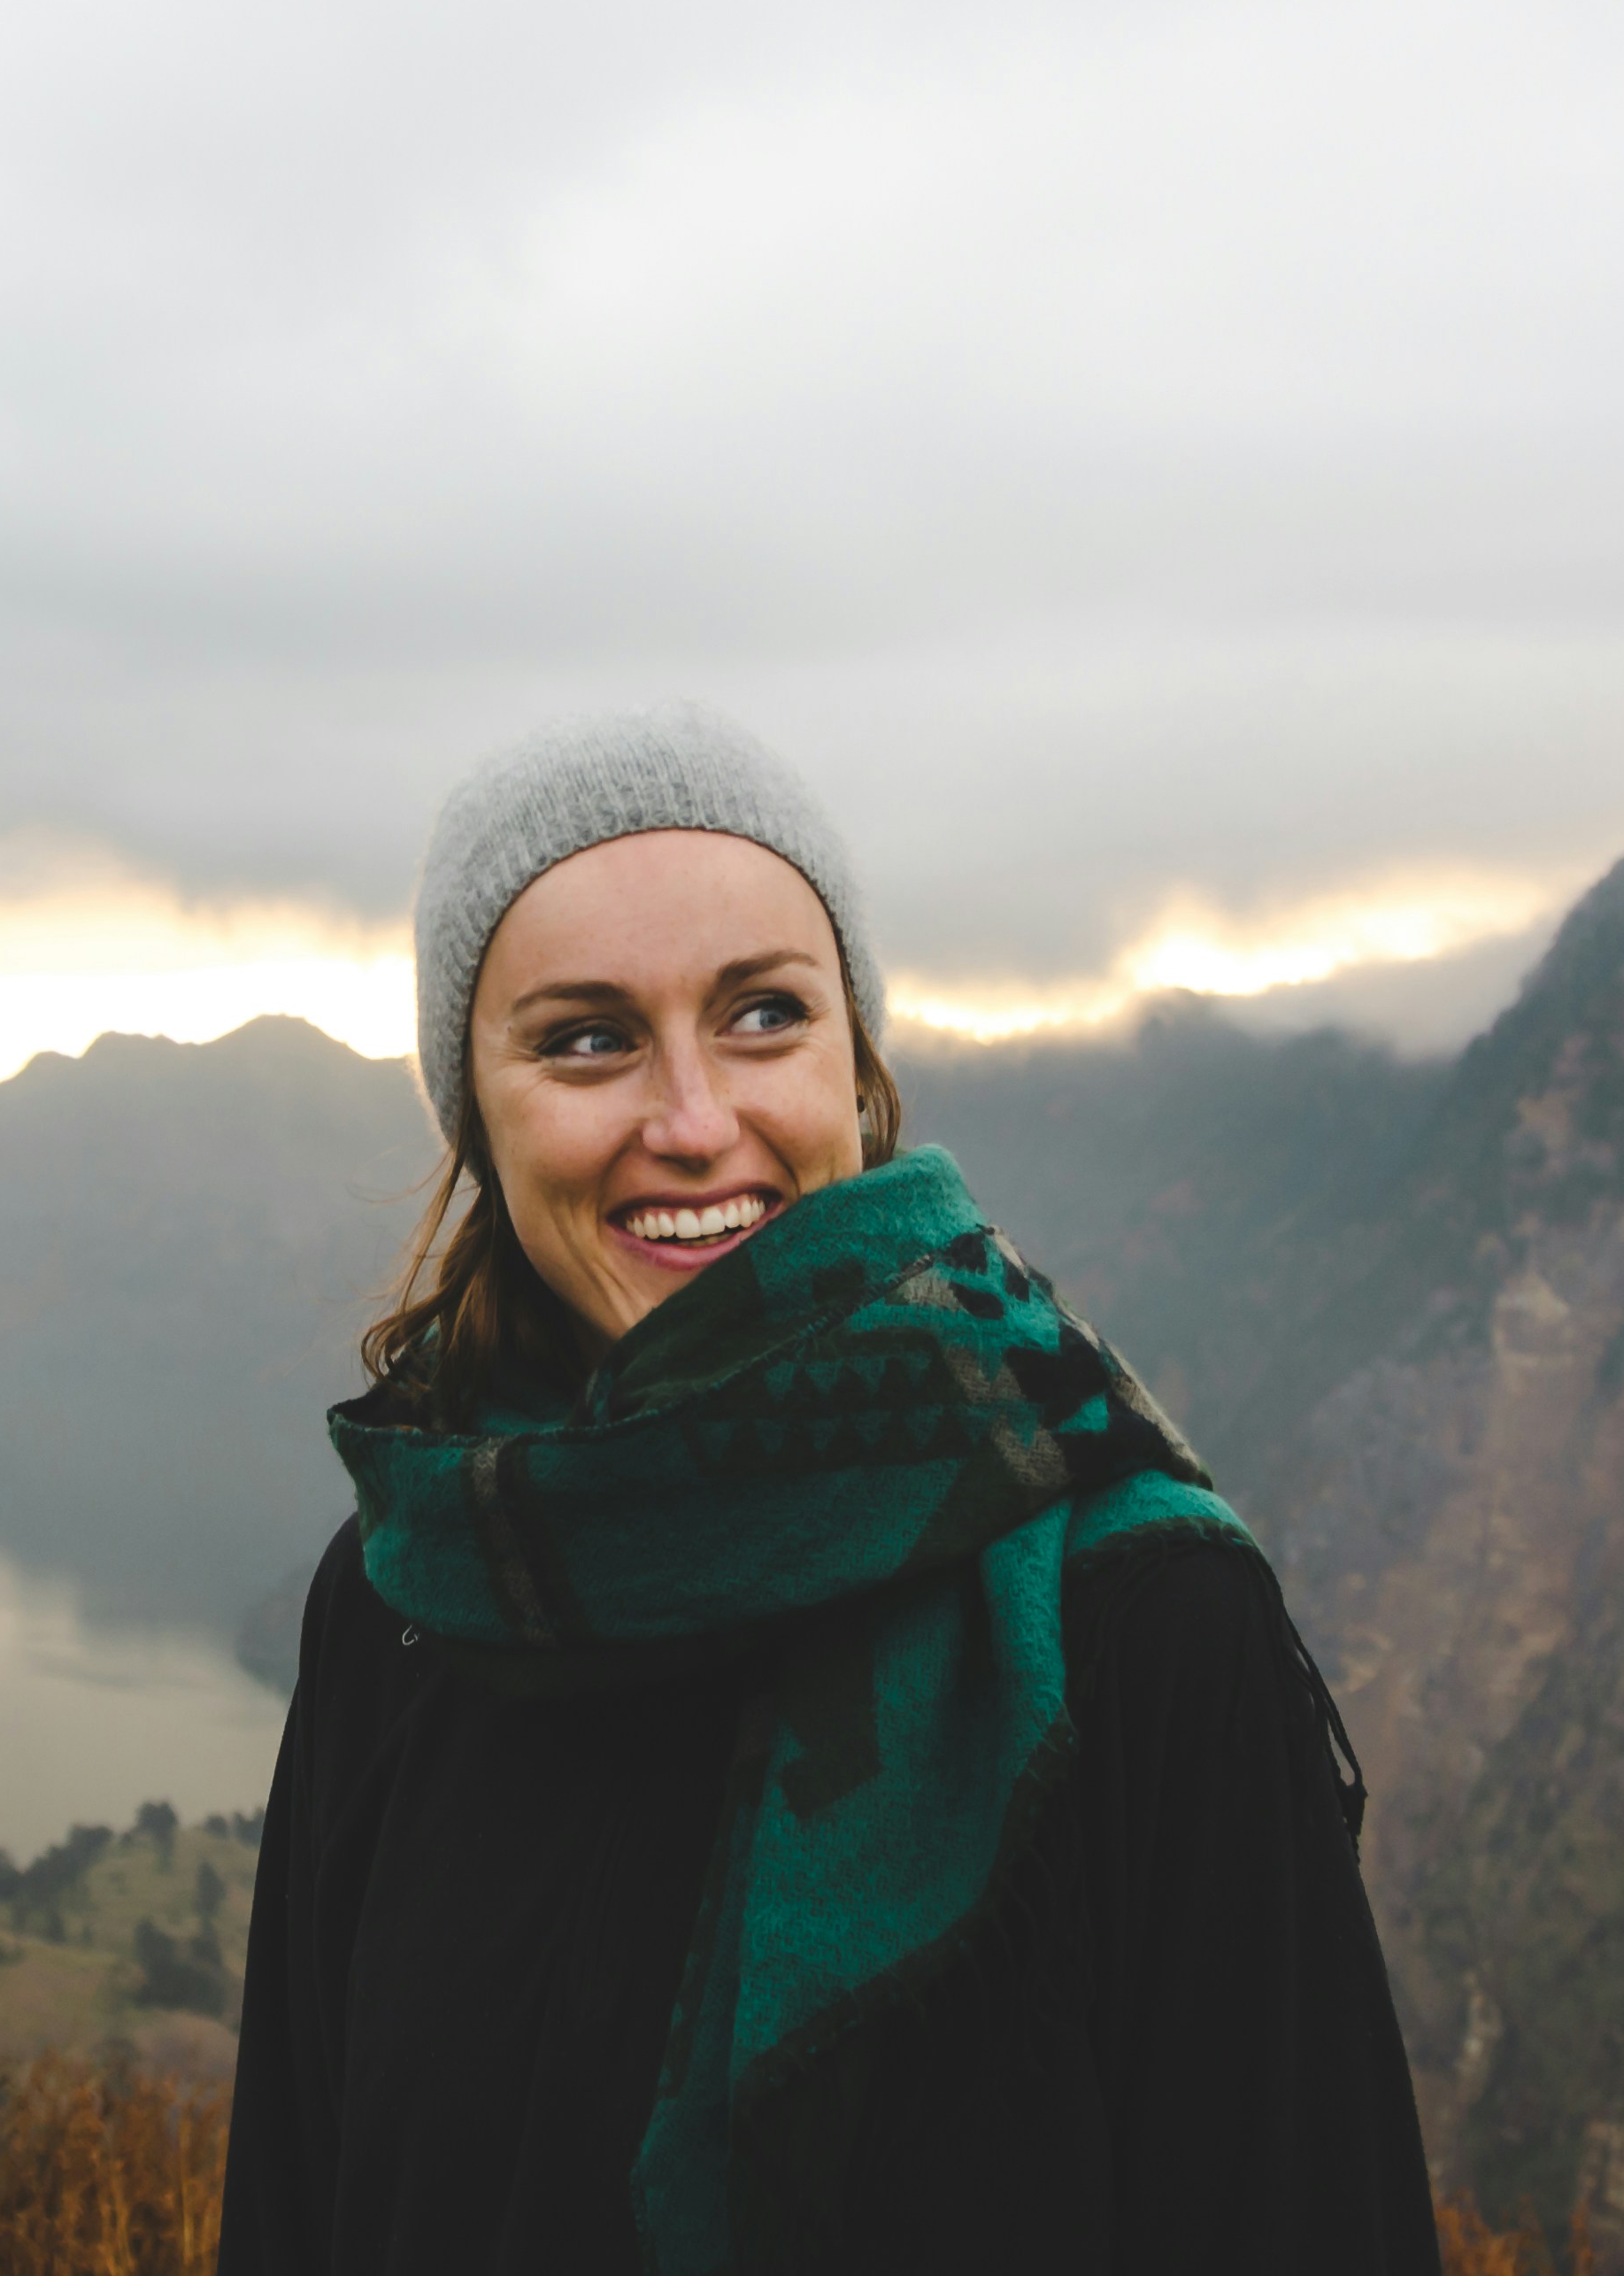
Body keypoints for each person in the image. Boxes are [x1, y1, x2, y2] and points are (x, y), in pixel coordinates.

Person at [221, 706, 1442, 2276]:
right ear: (478, 1111)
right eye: (585, 1036)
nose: (692, 1121)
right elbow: (300, 2205)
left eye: (763, 1017)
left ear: (858, 1072)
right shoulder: (402, 1596)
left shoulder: (1137, 1623)